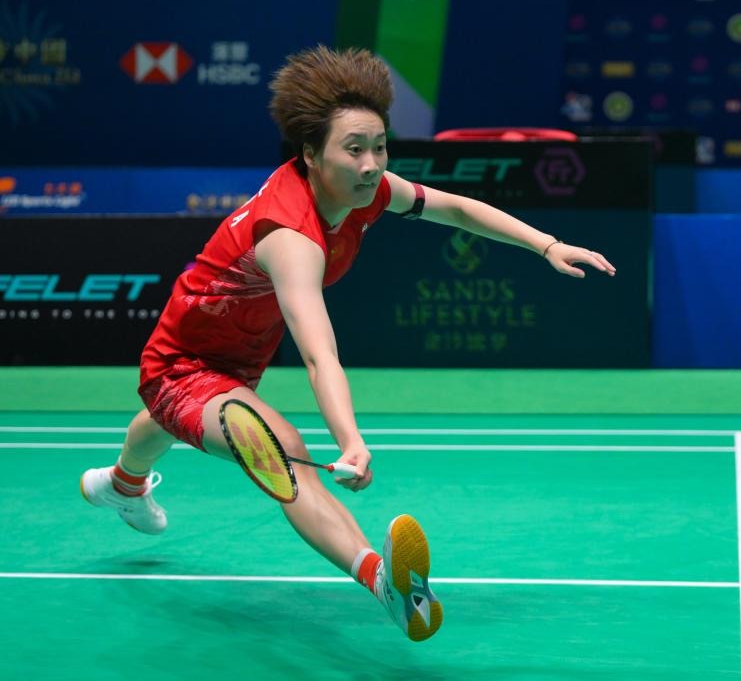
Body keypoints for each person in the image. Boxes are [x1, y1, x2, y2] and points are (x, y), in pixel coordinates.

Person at [79, 45, 616, 642]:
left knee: (165, 423)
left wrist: (547, 245)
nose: (371, 164)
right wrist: (350, 440)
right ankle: (382, 580)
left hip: (239, 356)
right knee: (282, 450)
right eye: (354, 149)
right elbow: (319, 355)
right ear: (310, 155)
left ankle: (121, 484)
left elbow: (457, 208)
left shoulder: (364, 190)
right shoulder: (290, 235)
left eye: (379, 146)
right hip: (182, 366)